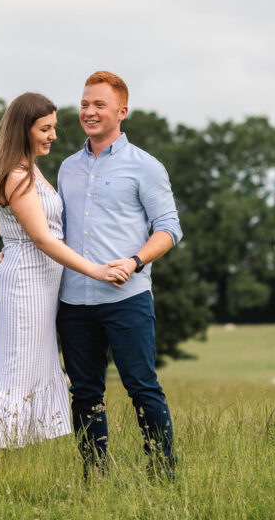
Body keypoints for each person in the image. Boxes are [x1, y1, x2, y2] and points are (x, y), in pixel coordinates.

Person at [0, 92, 130, 450]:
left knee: (34, 367)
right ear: (24, 130)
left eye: (53, 127)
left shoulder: (26, 169)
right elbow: (43, 239)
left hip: (34, 278)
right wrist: (96, 271)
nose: (53, 135)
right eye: (45, 128)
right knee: (18, 369)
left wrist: (12, 244)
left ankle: (13, 460)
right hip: (26, 283)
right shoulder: (18, 175)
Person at [56, 71, 182, 480]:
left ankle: (163, 475)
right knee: (85, 393)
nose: (89, 112)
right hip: (73, 301)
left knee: (142, 388)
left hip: (127, 298)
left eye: (99, 105)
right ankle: (96, 476)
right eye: (84, 104)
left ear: (121, 112)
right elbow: (52, 229)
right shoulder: (67, 168)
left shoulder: (145, 167)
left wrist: (135, 260)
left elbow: (169, 228)